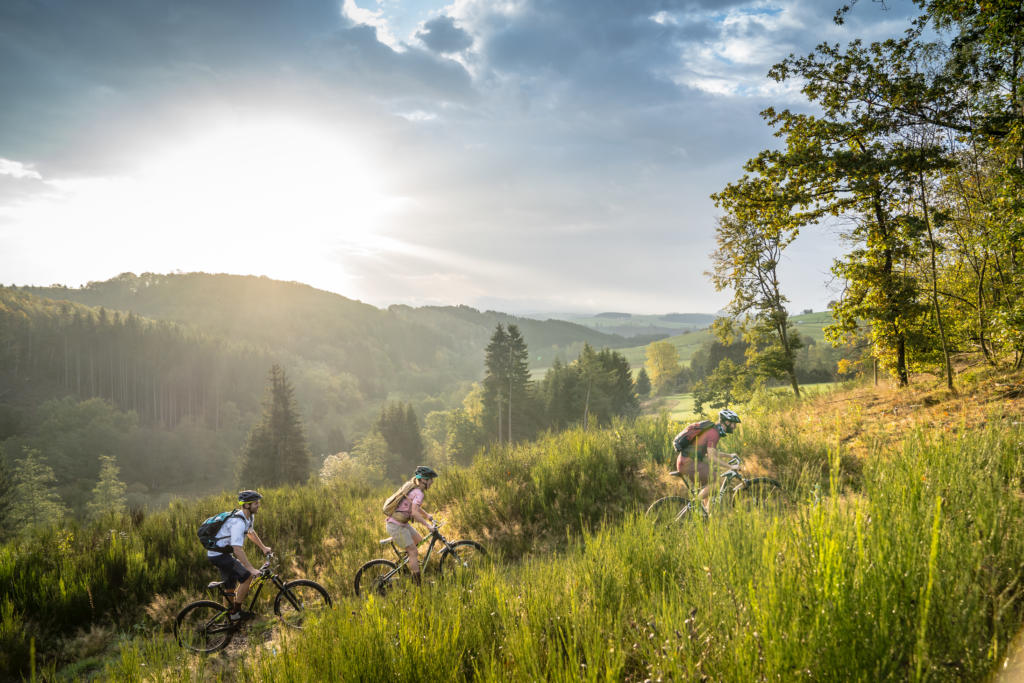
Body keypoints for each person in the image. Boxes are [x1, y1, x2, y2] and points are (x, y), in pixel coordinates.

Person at [207, 490, 272, 622]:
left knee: (230, 587)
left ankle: (229, 619)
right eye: (256, 503)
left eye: (258, 502)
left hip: (223, 554)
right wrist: (251, 569)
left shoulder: (248, 517)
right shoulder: (238, 523)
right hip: (219, 556)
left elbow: (250, 533)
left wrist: (263, 548)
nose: (258, 505)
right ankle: (237, 612)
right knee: (247, 577)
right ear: (247, 505)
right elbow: (237, 549)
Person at [675, 409, 742, 514]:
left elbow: (711, 452)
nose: (735, 427)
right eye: (734, 424)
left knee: (710, 486)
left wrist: (729, 455)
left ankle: (706, 515)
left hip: (686, 461)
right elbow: (711, 457)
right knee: (716, 482)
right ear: (727, 422)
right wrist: (731, 467)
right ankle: (695, 503)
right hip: (689, 463)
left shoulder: (713, 431)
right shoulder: (714, 433)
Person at [385, 465, 438, 586]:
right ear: (424, 480)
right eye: (431, 479)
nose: (432, 482)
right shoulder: (418, 493)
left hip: (399, 524)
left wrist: (427, 515)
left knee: (418, 540)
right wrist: (428, 526)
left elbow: (415, 507)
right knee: (413, 551)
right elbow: (414, 513)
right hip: (396, 526)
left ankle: (404, 565)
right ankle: (417, 584)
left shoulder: (414, 489)